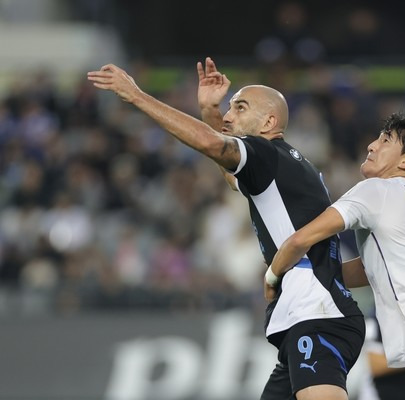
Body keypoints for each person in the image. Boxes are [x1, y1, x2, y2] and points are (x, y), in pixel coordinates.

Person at [87, 59, 365, 400]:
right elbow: (232, 175)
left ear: (269, 122)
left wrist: (136, 95)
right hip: (311, 310)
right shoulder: (284, 164)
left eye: (240, 107)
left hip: (317, 313)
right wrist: (208, 109)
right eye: (229, 107)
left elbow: (213, 145)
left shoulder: (265, 153)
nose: (229, 116)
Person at [266, 113, 405, 400]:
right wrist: (313, 278)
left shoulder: (379, 189)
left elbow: (302, 238)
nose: (372, 146)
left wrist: (274, 275)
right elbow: (367, 269)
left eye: (386, 139)